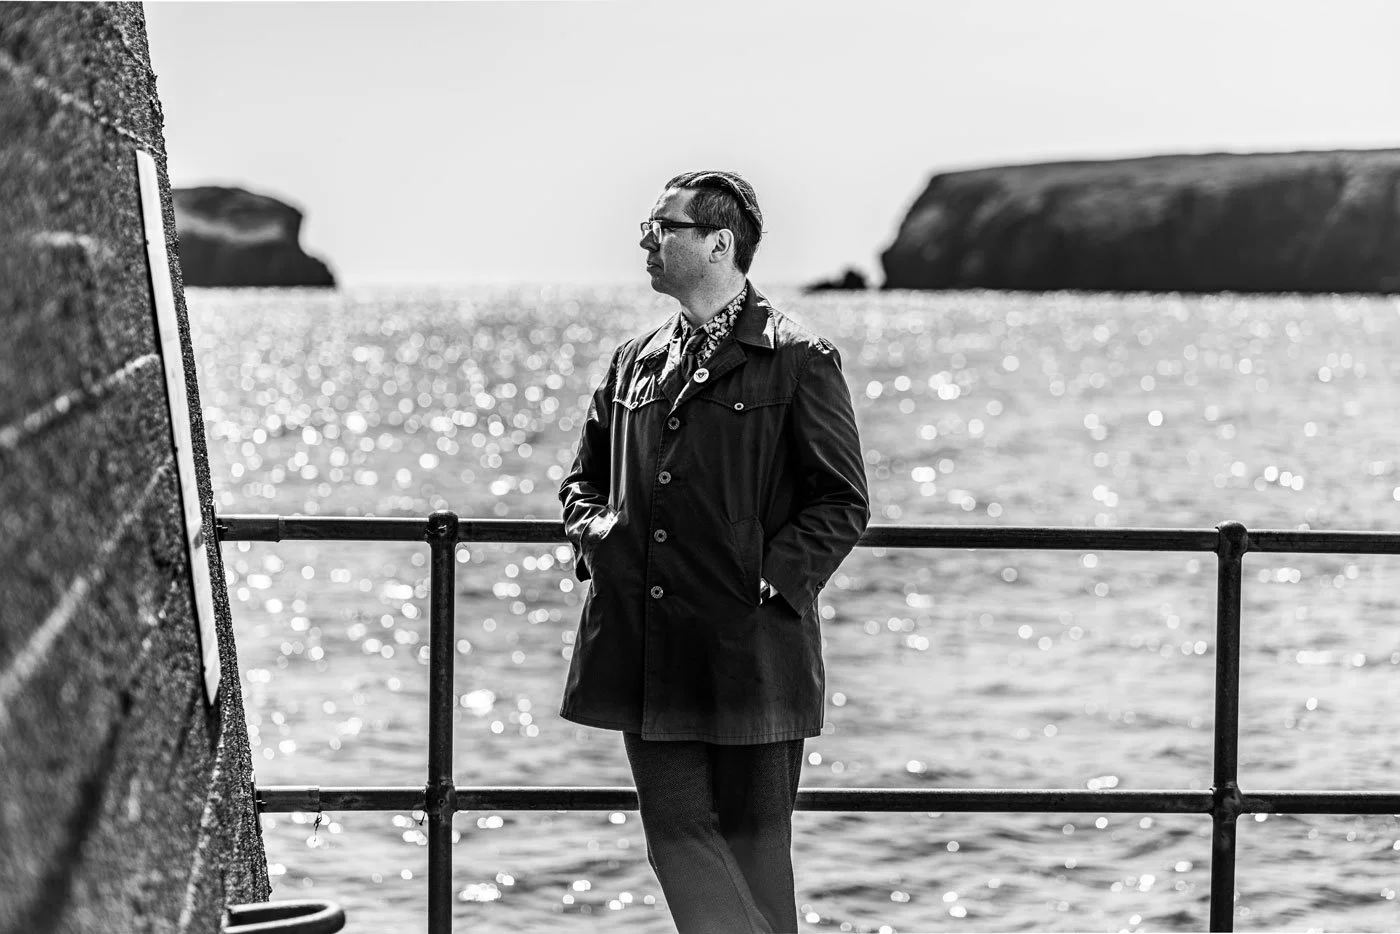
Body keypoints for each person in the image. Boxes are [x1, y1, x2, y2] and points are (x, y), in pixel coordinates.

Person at [557, 170, 870, 933]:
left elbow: (842, 502)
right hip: (647, 645)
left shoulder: (799, 358)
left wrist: (764, 583)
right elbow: (580, 483)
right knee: (676, 838)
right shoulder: (634, 358)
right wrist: (603, 542)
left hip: (753, 651)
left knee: (759, 854)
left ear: (720, 243)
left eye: (664, 227)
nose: (646, 239)